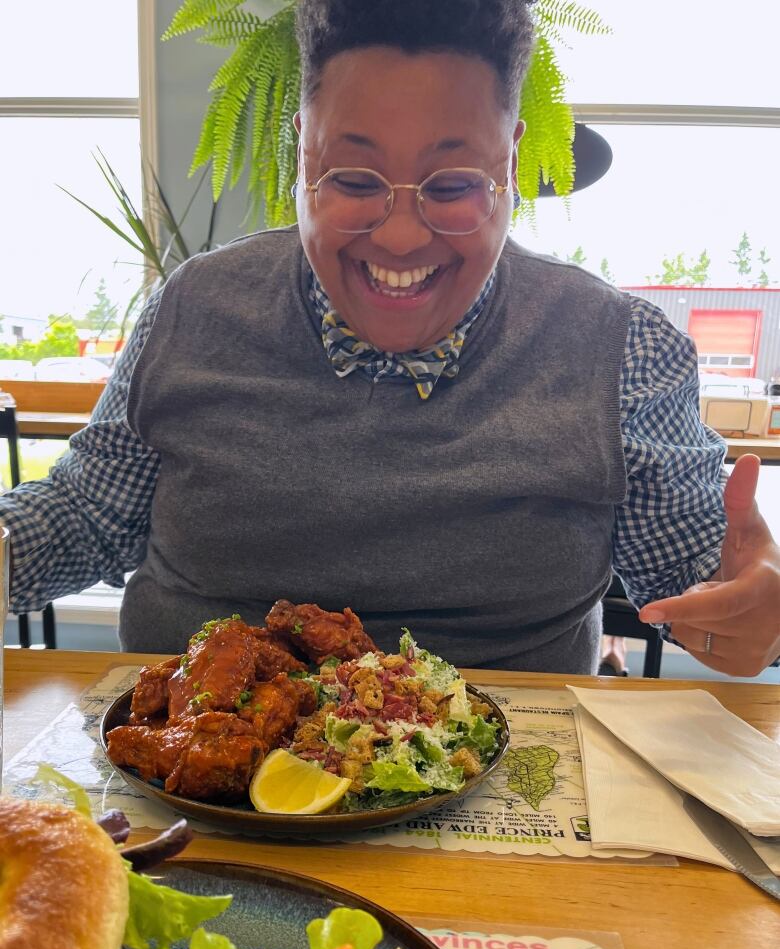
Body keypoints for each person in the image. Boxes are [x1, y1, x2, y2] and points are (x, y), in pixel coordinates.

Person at [0, 0, 778, 677]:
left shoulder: (621, 351)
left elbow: (703, 583)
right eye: (355, 180)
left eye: (452, 185)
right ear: (302, 151)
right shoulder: (193, 308)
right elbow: (86, 515)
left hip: (502, 812)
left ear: (508, 165)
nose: (401, 235)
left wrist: (751, 606)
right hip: (186, 789)